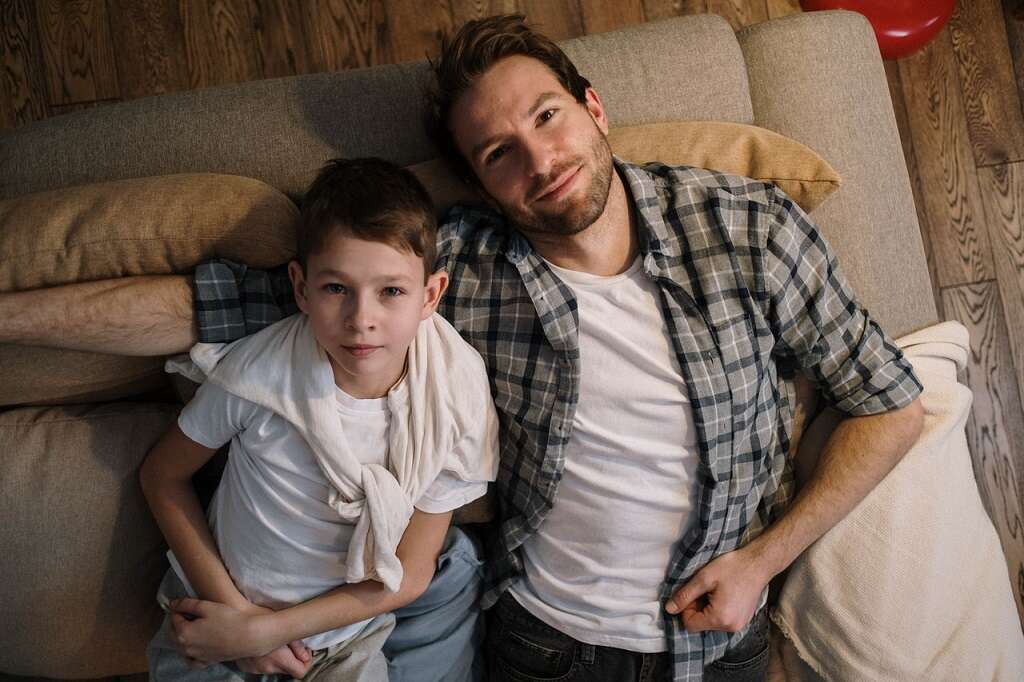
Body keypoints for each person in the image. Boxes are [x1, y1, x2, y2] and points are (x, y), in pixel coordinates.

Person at [0, 14, 925, 681]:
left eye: (547, 117)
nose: (539, 161)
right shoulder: (456, 273)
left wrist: (764, 560)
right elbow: (211, 307)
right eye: (497, 153)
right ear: (480, 186)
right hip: (544, 643)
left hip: (718, 640)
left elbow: (891, 404)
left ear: (594, 107)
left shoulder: (748, 227)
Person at [139, 158, 499, 680]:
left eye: (391, 291)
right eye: (336, 288)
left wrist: (266, 632)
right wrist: (238, 624)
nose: (361, 319)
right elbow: (162, 475)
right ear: (301, 288)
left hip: (345, 634)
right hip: (216, 611)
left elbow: (411, 573)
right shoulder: (258, 376)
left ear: (430, 295)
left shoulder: (455, 393)